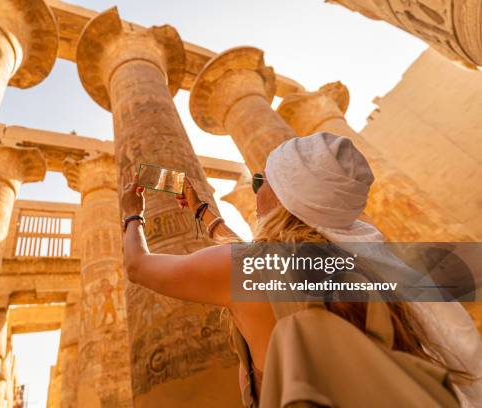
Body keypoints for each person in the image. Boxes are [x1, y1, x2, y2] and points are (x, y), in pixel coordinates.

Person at [121, 132, 481, 407]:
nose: (255, 190)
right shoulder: (358, 263)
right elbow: (252, 258)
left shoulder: (248, 267)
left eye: (260, 181)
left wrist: (130, 213)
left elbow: (138, 267)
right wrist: (204, 215)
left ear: (283, 195)